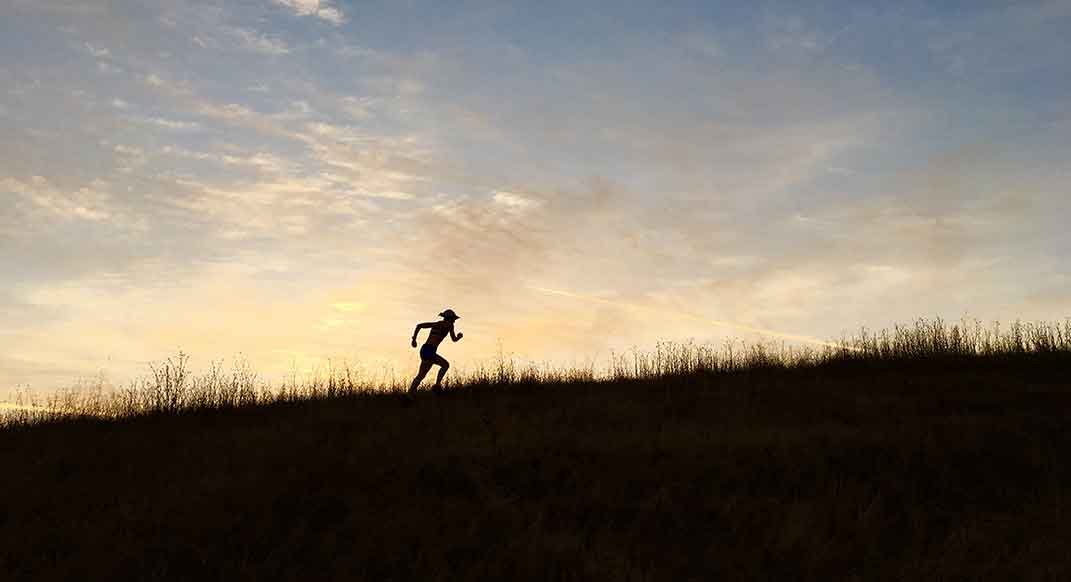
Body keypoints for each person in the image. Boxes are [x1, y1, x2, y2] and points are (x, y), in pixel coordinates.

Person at [409, 309, 463, 395]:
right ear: (449, 319)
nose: (454, 321)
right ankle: (437, 386)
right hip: (430, 350)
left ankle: (409, 394)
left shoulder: (436, 324)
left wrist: (414, 339)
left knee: (421, 375)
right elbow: (454, 339)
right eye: (453, 319)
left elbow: (419, 325)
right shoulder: (449, 325)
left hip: (424, 349)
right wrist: (459, 337)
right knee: (445, 365)